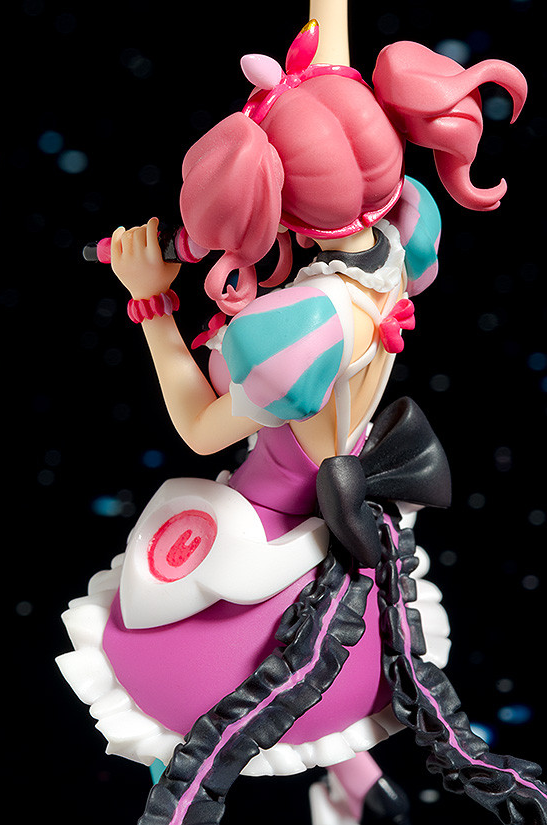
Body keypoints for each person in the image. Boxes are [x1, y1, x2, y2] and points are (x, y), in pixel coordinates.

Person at [57, 6, 547, 825]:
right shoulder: (403, 232)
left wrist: (150, 302)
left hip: (274, 513)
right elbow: (331, 77)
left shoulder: (301, 324)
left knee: (180, 678)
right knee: (318, 659)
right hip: (348, 494)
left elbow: (201, 428)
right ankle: (356, 781)